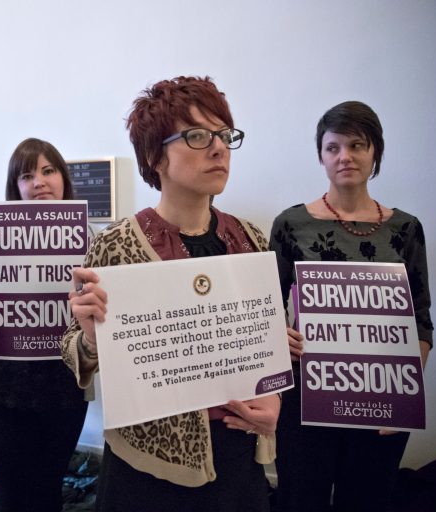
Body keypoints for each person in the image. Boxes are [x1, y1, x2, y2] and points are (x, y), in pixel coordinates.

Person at [62, 76, 281, 511]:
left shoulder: (251, 238)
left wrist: (273, 399)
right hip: (150, 464)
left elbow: (266, 343)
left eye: (225, 135)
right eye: (198, 136)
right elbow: (74, 350)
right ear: (153, 156)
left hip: (239, 457)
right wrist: (89, 337)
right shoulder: (116, 246)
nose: (219, 148)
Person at [269, 101, 433, 512]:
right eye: (333, 147)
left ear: (375, 150)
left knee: (367, 500)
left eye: (357, 145)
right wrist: (278, 337)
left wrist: (404, 395)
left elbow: (421, 320)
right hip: (306, 399)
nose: (345, 157)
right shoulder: (290, 224)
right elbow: (266, 311)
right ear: (321, 156)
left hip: (382, 398)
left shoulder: (406, 228)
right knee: (300, 499)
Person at [0, 138, 90, 512]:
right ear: (15, 187)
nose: (40, 182)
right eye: (27, 176)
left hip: (65, 388)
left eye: (48, 171)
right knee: (8, 495)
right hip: (0, 391)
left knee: (48, 491)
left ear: (63, 178)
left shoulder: (91, 237)